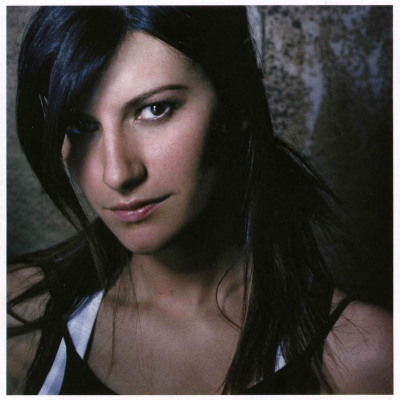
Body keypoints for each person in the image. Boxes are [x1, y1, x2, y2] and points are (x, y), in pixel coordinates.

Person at [7, 6, 392, 395]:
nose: (117, 174)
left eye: (155, 109)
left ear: (235, 100)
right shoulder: (19, 318)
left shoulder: (365, 358)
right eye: (81, 126)